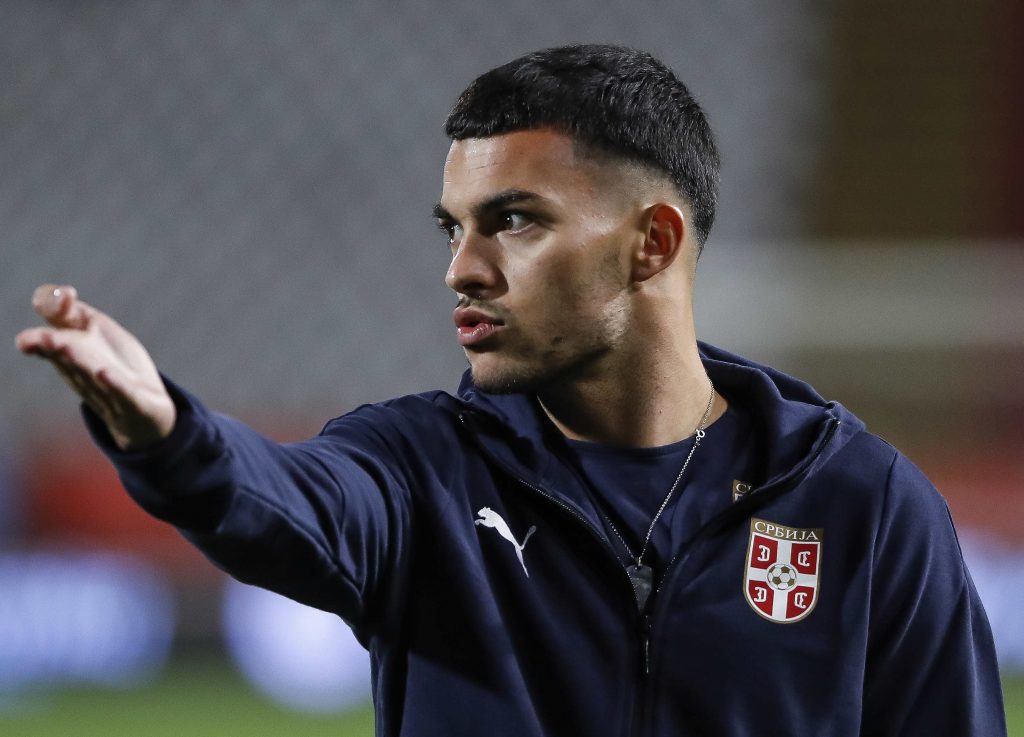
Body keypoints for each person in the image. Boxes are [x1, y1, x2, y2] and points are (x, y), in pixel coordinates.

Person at [16, 44, 1006, 736]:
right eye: (454, 227)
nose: (462, 268)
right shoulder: (419, 472)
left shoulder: (861, 505)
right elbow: (276, 502)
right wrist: (168, 434)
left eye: (514, 221)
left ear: (649, 243)